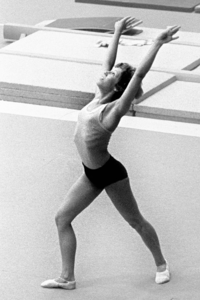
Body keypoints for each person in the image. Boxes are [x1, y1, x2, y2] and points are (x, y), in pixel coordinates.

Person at [41, 17, 180, 290]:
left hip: (110, 174)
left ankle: (161, 264)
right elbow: (108, 63)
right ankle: (67, 277)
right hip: (91, 173)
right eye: (109, 71)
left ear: (117, 87)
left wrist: (157, 43)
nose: (105, 73)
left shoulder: (112, 111)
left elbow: (137, 76)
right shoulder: (97, 96)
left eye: (112, 75)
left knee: (135, 221)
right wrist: (116, 31)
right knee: (62, 218)